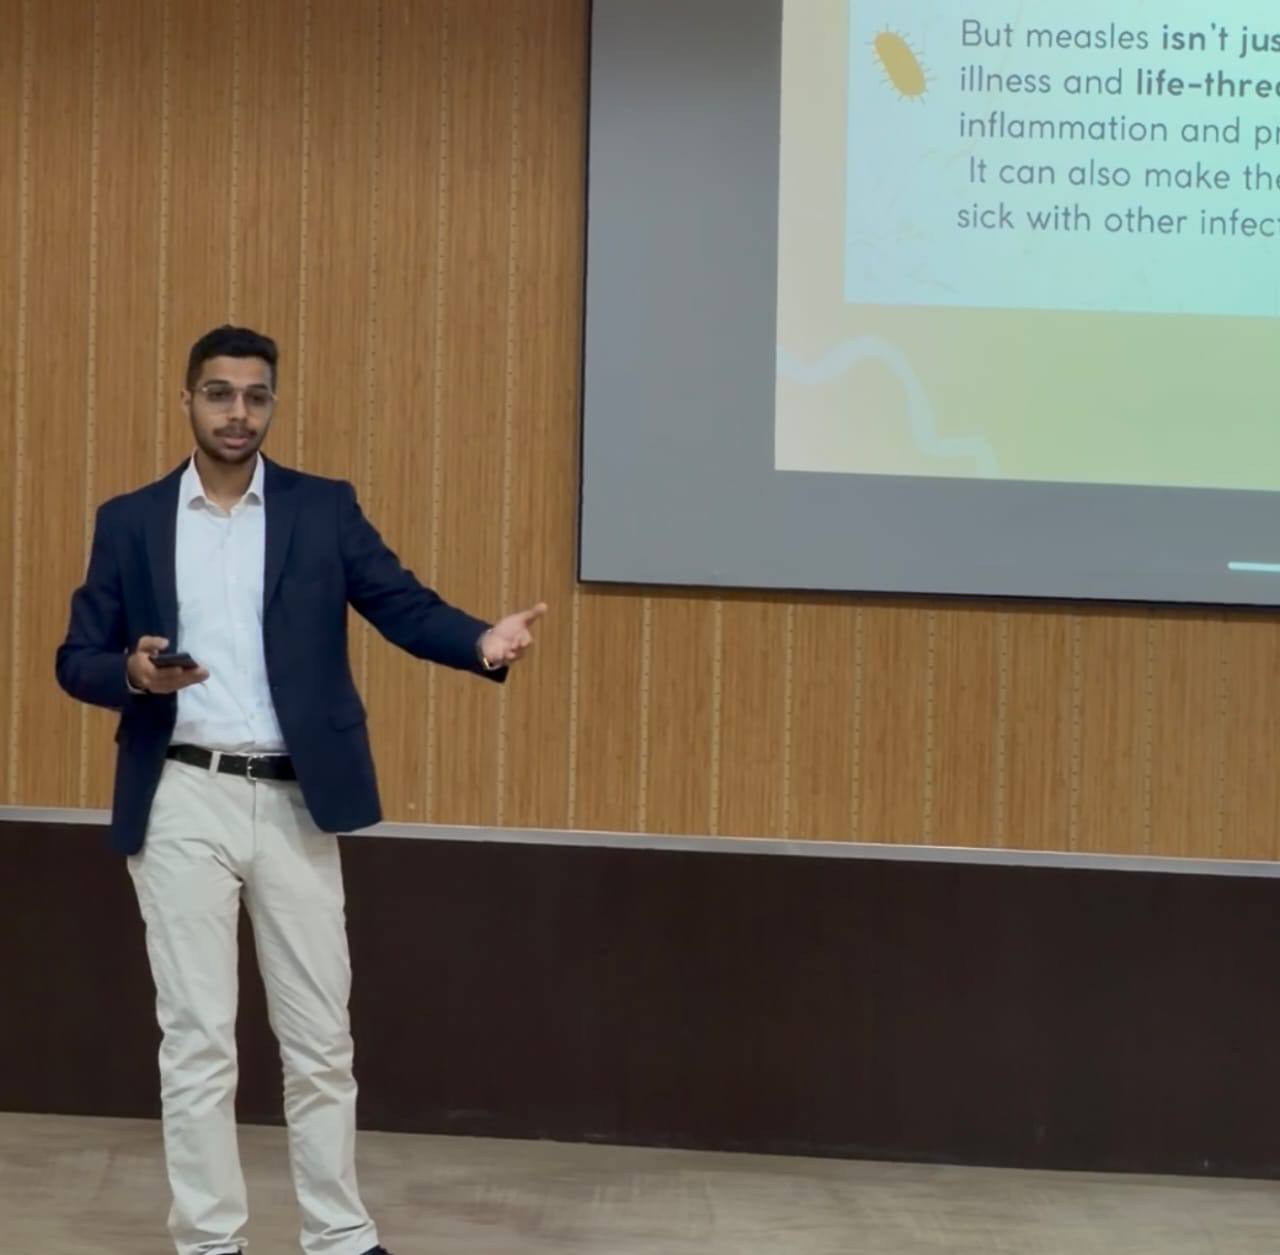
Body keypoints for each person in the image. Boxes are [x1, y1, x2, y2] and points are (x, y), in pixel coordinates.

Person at [55, 325, 546, 1255]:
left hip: (295, 797)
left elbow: (400, 602)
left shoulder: (322, 509)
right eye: (219, 393)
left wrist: (481, 641)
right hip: (181, 793)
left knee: (320, 1035)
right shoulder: (131, 520)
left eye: (256, 395)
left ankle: (339, 1234)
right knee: (198, 1039)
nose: (238, 412)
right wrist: (131, 672)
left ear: (273, 404)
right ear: (188, 401)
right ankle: (209, 1241)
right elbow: (74, 656)